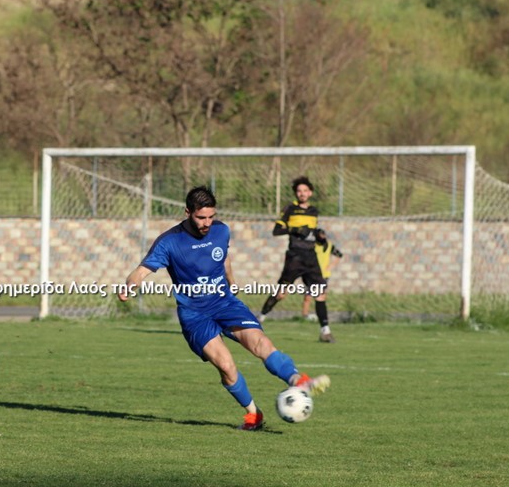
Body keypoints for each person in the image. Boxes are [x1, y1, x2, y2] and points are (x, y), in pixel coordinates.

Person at [118, 186, 330, 431]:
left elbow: (223, 257)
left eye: (211, 216)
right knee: (226, 366)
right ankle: (254, 415)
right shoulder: (169, 241)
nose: (207, 223)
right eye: (201, 217)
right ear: (187, 212)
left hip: (225, 302)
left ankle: (298, 381)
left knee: (260, 343)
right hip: (194, 314)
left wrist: (231, 281)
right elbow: (141, 271)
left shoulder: (221, 230)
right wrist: (129, 287)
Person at [257, 176, 335, 343]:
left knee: (320, 293)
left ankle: (325, 332)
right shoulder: (290, 209)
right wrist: (295, 229)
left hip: (311, 257)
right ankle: (259, 320)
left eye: (305, 191)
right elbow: (277, 230)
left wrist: (320, 236)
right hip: (295, 257)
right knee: (280, 293)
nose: (302, 193)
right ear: (295, 193)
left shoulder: (313, 211)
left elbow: (312, 234)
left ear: (310, 193)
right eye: (299, 191)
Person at [301, 232, 343, 326]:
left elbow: (339, 255)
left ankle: (322, 318)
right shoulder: (312, 246)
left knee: (320, 297)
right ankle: (304, 316)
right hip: (312, 274)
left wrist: (331, 266)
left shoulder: (329, 246)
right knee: (308, 296)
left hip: (323, 275)